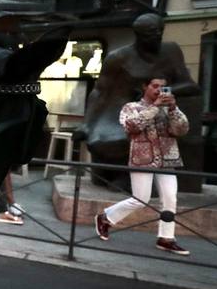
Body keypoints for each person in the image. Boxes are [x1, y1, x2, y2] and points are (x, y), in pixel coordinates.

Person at [78, 13, 203, 188]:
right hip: (124, 108)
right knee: (101, 137)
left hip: (160, 112)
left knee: (140, 136)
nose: (157, 37)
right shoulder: (118, 57)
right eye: (150, 34)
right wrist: (86, 124)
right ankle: (120, 176)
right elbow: (99, 92)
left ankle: (132, 179)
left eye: (159, 32)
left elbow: (191, 85)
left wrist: (163, 93)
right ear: (138, 35)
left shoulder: (171, 51)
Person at [94, 77, 191, 255]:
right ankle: (106, 217)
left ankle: (166, 238)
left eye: (163, 87)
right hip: (143, 158)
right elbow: (132, 126)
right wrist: (155, 107)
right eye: (155, 86)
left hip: (167, 159)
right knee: (140, 199)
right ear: (145, 87)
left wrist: (173, 108)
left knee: (170, 198)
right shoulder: (131, 107)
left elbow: (182, 129)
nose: (159, 90)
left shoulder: (169, 109)